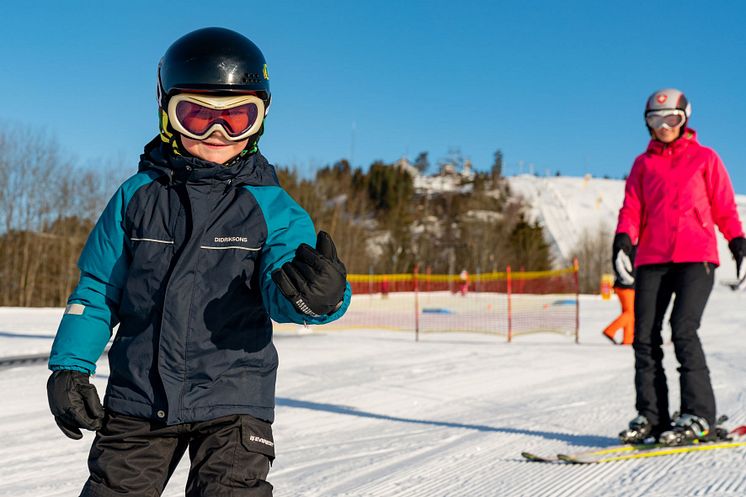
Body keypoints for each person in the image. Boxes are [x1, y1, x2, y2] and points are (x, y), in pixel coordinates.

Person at [45, 27, 351, 497]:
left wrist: (319, 297)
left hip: (234, 399)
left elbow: (284, 286)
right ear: (167, 113)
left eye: (237, 118)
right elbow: (97, 291)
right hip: (138, 398)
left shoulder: (272, 208)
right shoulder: (135, 197)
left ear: (261, 119)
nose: (216, 133)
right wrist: (70, 365)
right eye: (196, 115)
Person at [614, 88, 746, 446]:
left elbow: (723, 206)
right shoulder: (643, 164)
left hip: (695, 256)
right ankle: (652, 417)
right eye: (655, 120)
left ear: (685, 118)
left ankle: (698, 414)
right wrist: (623, 238)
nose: (663, 126)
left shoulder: (705, 158)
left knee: (683, 329)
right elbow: (632, 208)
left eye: (671, 118)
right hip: (652, 258)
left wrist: (736, 239)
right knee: (644, 337)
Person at [602, 246, 636, 345]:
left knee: (629, 312)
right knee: (630, 313)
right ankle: (610, 331)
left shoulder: (632, 248)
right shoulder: (630, 247)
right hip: (626, 286)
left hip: (626, 285)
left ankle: (628, 339)